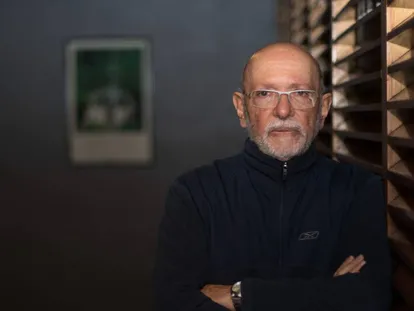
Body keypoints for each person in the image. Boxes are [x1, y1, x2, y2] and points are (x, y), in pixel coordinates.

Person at [154, 43, 391, 311]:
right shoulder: (195, 194)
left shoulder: (358, 190)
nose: (283, 111)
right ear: (242, 108)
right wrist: (327, 294)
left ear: (323, 109)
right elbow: (172, 303)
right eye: (265, 94)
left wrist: (241, 295)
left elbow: (369, 299)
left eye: (300, 93)